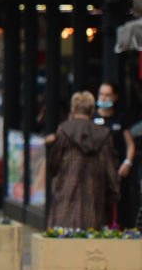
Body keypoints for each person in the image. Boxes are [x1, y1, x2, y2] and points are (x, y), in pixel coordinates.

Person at [46, 91, 120, 229]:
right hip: (93, 201)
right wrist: (113, 195)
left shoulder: (63, 130)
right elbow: (110, 171)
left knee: (63, 243)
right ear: (92, 111)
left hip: (65, 201)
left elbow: (53, 165)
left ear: (73, 109)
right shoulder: (104, 135)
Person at [93, 82, 137, 226]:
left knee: (120, 206)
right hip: (97, 171)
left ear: (115, 97)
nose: (104, 98)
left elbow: (130, 144)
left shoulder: (120, 118)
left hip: (118, 171)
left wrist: (128, 162)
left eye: (107, 95)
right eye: (101, 94)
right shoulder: (92, 118)